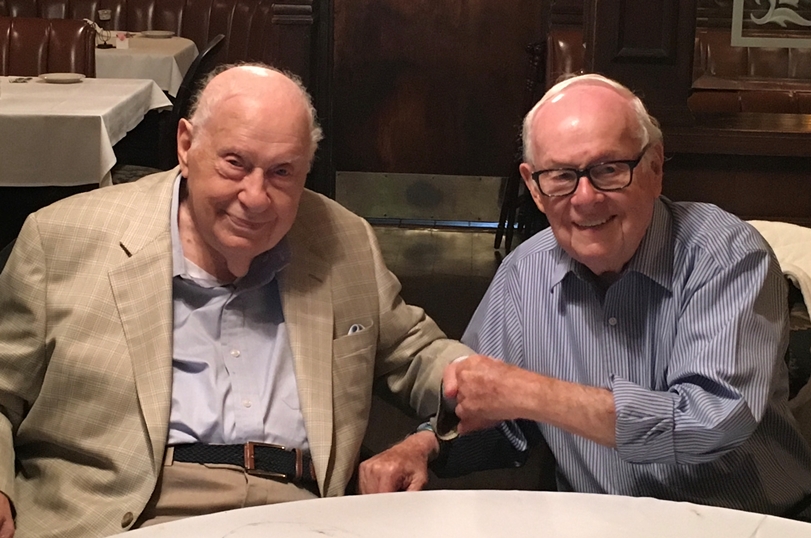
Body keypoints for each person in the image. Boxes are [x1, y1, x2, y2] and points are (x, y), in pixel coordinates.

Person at [0, 64, 472, 537]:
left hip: (299, 514)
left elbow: (415, 354)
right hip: (125, 514)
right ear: (186, 146)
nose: (256, 197)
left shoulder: (342, 241)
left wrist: (466, 384)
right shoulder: (62, 239)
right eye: (235, 163)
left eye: (282, 172)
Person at [359, 74, 811, 519]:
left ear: (655, 168)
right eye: (561, 176)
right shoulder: (524, 273)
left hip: (746, 522)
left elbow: (711, 422)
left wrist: (535, 393)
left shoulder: (725, 254)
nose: (585, 197)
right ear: (534, 187)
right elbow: (502, 418)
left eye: (609, 169)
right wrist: (423, 444)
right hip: (596, 523)